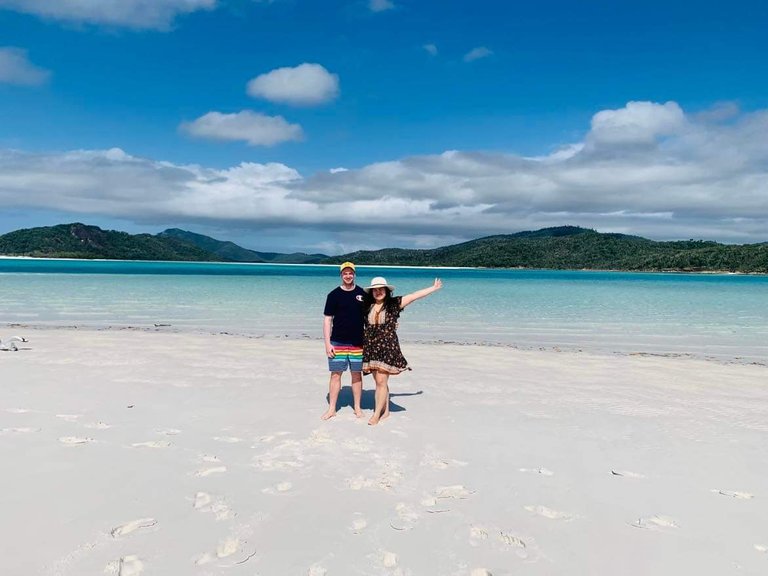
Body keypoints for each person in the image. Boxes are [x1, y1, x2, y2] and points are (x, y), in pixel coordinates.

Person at [362, 276, 442, 426]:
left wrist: (433, 288)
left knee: (381, 381)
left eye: (381, 289)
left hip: (387, 347)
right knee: (379, 382)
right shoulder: (367, 306)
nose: (378, 292)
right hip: (371, 348)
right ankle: (386, 411)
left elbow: (413, 296)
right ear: (372, 292)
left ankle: (376, 414)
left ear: (386, 290)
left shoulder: (394, 304)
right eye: (375, 290)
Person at [322, 262, 366, 419]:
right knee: (335, 374)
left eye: (350, 273)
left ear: (354, 274)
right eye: (345, 273)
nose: (348, 275)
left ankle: (357, 407)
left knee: (356, 374)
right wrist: (327, 343)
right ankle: (332, 408)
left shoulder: (363, 294)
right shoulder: (333, 295)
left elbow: (373, 314)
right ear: (341, 275)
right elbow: (327, 320)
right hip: (337, 342)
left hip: (358, 343)